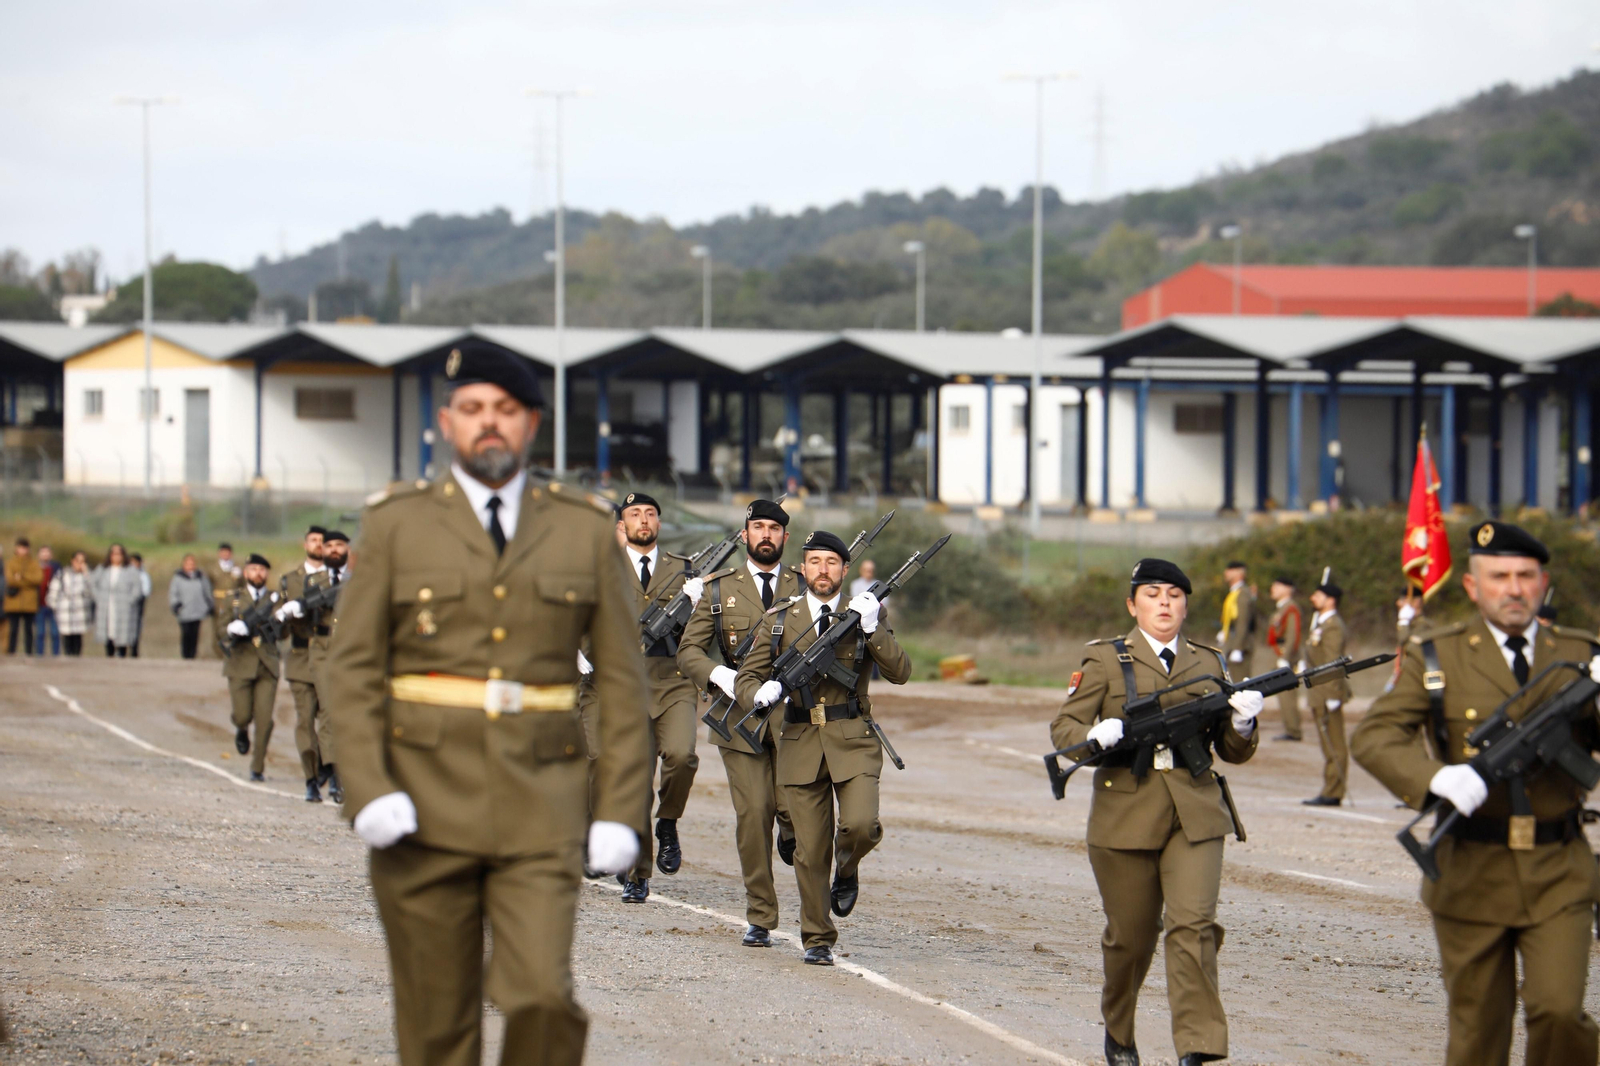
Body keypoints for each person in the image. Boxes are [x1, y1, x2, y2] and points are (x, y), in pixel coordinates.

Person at [325, 341, 651, 1066]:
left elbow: (626, 684)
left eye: (505, 410)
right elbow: (350, 671)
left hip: (541, 801)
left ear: (532, 422)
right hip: (421, 801)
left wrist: (622, 810)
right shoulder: (395, 523)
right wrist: (369, 790)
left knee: (540, 995)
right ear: (447, 423)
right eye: (473, 410)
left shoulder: (582, 527)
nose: (489, 424)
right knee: (437, 1024)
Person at [1353, 521, 1600, 1066]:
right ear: (1472, 586)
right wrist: (1435, 779)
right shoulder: (1436, 655)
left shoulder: (1581, 655)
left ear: (1544, 583)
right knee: (1478, 1033)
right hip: (1470, 868)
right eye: (1499, 577)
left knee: (1559, 1011)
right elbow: (1374, 736)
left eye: (1525, 576)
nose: (1514, 588)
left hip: (1559, 867)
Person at [1050, 558, 1261, 1066]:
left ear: (1186, 604)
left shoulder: (1210, 663)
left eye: (1173, 595)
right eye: (1152, 594)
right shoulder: (1103, 660)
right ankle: (1119, 1030)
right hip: (1124, 814)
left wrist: (1245, 726)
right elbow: (1064, 731)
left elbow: (1230, 750)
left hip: (1197, 813)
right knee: (1132, 938)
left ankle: (1197, 1045)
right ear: (1133, 605)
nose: (1164, 603)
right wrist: (1092, 738)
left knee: (1193, 924)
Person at [735, 529, 911, 966]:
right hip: (798, 743)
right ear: (802, 567)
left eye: (832, 562)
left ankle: (847, 869)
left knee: (861, 826)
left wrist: (874, 628)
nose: (823, 570)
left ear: (845, 570)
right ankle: (817, 937)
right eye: (815, 561)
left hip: (852, 739)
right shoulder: (780, 618)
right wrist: (758, 693)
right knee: (810, 851)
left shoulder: (865, 614)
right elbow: (746, 677)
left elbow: (901, 671)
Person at [676, 498, 804, 947]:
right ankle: (761, 915)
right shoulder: (717, 590)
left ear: (785, 537)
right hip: (739, 715)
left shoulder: (805, 583)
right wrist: (722, 675)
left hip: (795, 716)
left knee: (792, 809)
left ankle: (790, 830)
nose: (766, 534)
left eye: (774, 528)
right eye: (758, 527)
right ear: (744, 535)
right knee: (753, 815)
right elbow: (689, 652)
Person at [616, 490, 701, 902]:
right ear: (623, 525)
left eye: (650, 514)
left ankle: (667, 821)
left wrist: (700, 606)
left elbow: (700, 635)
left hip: (674, 680)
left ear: (659, 524)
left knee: (682, 755)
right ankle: (637, 872)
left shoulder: (685, 571)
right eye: (635, 514)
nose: (644, 520)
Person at [275, 525, 329, 802]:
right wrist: (284, 616)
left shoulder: (336, 580)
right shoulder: (289, 581)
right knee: (305, 720)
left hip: (330, 659)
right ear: (304, 543)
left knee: (331, 720)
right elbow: (279, 631)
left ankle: (331, 771)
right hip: (299, 660)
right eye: (313, 540)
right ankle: (310, 777)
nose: (318, 545)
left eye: (322, 541)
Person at [222, 554, 281, 781]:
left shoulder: (276, 601)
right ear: (246, 572)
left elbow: (284, 633)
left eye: (262, 570)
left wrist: (282, 620)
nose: (258, 573)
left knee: (265, 720)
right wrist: (230, 629)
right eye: (254, 569)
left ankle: (257, 767)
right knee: (242, 714)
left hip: (267, 664)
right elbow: (219, 631)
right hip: (240, 663)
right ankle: (241, 727)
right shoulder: (234, 599)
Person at [306, 529, 350, 804]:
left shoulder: (361, 578)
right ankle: (335, 775)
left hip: (352, 650)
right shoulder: (314, 581)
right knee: (328, 710)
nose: (333, 549)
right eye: (329, 545)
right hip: (322, 651)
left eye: (339, 545)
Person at [1302, 571, 1351, 807]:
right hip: (1319, 691)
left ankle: (1333, 790)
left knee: (1334, 744)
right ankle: (1331, 787)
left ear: (1330, 600)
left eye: (1318, 595)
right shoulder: (1322, 623)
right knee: (1327, 743)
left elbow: (1333, 661)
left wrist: (1333, 694)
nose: (1313, 598)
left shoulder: (1333, 626)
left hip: (1327, 691)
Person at [1264, 575, 1303, 741]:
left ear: (1287, 589)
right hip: (1279, 653)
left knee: (1287, 695)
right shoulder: (1281, 608)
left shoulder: (1290, 608)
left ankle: (1293, 730)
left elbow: (1293, 634)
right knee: (1282, 695)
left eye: (1277, 586)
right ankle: (1290, 727)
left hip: (1286, 655)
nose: (1273, 589)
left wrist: (1286, 657)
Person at [91, 544, 142, 657]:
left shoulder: (130, 570)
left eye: (119, 554)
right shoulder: (102, 569)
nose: (116, 556)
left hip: (124, 607)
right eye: (114, 554)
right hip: (106, 605)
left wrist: (130, 600)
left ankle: (122, 654)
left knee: (122, 633)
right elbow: (92, 583)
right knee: (108, 631)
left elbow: (137, 588)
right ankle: (109, 655)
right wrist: (98, 597)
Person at [167, 554, 215, 660]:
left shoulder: (201, 577)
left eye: (192, 563)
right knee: (186, 634)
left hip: (198, 611)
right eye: (188, 563)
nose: (190, 565)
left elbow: (207, 592)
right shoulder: (178, 577)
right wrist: (176, 605)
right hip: (184, 611)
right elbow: (173, 593)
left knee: (195, 635)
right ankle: (185, 656)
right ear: (183, 564)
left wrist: (210, 605)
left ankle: (192, 656)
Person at [48, 551, 93, 657]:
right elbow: (53, 592)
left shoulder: (87, 576)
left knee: (78, 639)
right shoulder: (62, 574)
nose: (80, 564)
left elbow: (92, 592)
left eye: (83, 561)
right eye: (78, 561)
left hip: (81, 613)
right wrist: (56, 607)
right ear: (72, 561)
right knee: (67, 639)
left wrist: (87, 575)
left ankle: (77, 661)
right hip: (65, 613)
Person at [4, 537, 42, 655]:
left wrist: (21, 576)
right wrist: (27, 582)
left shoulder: (34, 563)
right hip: (13, 602)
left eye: (25, 548)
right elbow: (10, 580)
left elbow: (38, 579)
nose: (23, 550)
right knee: (13, 630)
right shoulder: (10, 562)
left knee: (28, 630)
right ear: (16, 548)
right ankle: (11, 652)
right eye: (21, 547)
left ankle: (29, 652)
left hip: (29, 602)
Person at [1218, 560, 1255, 674]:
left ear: (1240, 573)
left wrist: (1238, 648)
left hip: (1241, 646)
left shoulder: (1242, 593)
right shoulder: (1233, 593)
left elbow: (1243, 621)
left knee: (1239, 682)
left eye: (1231, 570)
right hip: (1232, 643)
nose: (1226, 573)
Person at [206, 543, 243, 658]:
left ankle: (232, 653)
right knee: (217, 628)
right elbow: (208, 586)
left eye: (227, 552)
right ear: (219, 553)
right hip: (218, 602)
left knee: (233, 627)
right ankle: (219, 653)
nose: (225, 554)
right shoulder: (212, 569)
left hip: (233, 603)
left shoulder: (237, 569)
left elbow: (242, 586)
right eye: (223, 552)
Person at [34, 545, 60, 656]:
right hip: (39, 604)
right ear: (39, 555)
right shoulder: (34, 567)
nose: (45, 555)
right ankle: (39, 655)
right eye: (43, 552)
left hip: (54, 605)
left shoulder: (56, 567)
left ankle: (56, 655)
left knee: (55, 633)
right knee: (40, 632)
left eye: (47, 552)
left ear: (51, 554)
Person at [128, 552, 152, 657]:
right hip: (125, 604)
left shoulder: (143, 575)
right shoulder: (125, 573)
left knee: (136, 626)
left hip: (139, 603)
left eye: (135, 562)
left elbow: (146, 591)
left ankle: (134, 650)